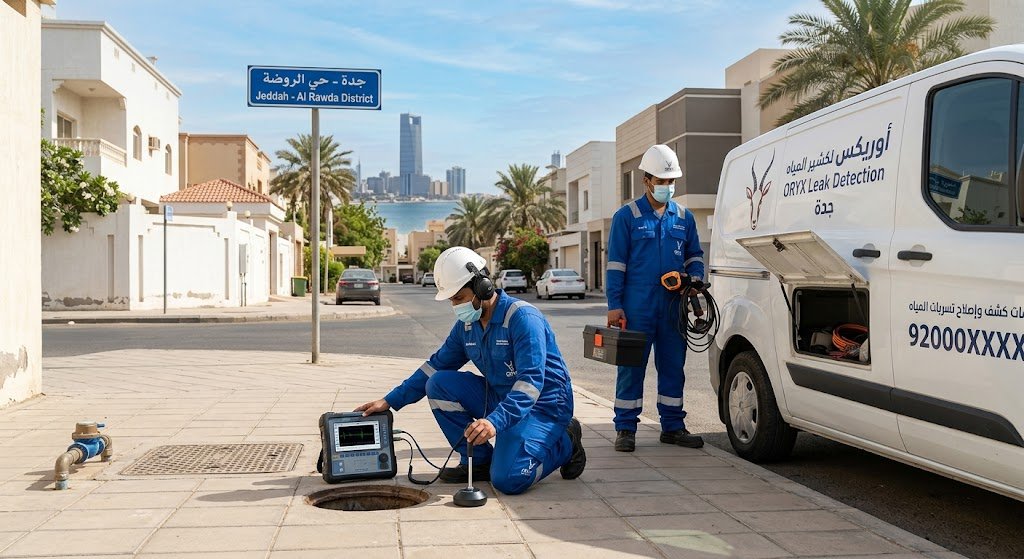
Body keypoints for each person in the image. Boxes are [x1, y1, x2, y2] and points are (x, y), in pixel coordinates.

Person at [356, 246, 586, 495]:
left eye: (458, 298)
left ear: (482, 287)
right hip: (501, 398)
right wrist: (389, 400)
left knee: (508, 480)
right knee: (438, 383)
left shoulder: (522, 318)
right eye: (451, 300)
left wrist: (494, 422)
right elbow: (434, 366)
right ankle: (478, 460)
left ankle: (566, 441)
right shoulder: (467, 326)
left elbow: (530, 383)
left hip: (543, 407)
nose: (455, 306)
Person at [605, 144, 705, 452]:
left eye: (671, 181)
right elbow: (615, 264)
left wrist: (696, 278)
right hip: (636, 308)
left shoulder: (684, 218)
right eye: (662, 181)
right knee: (631, 368)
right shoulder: (627, 217)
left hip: (674, 306)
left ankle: (673, 427)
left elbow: (694, 256)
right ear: (646, 181)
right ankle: (625, 429)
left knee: (674, 366)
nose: (667, 187)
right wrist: (614, 305)